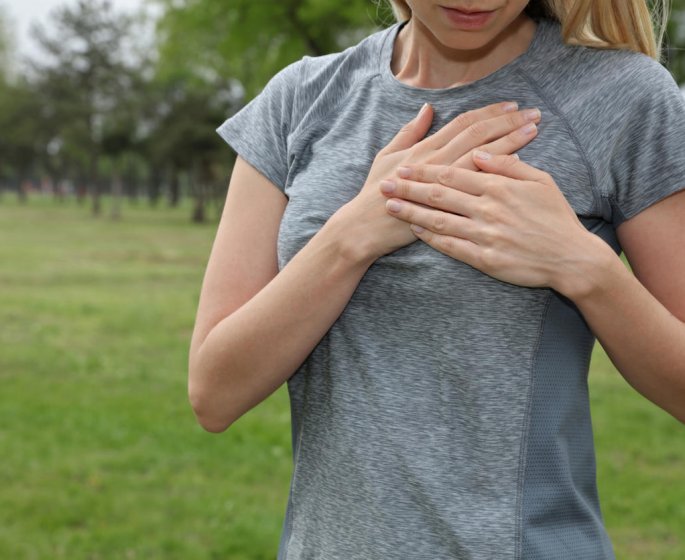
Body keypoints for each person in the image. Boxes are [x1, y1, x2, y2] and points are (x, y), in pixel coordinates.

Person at [188, 0, 685, 558]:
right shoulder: (300, 100)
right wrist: (351, 235)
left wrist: (585, 268)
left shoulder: (626, 96)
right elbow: (214, 392)